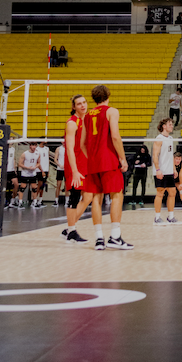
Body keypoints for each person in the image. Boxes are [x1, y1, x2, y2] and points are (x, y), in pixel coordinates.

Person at [81, 84, 131, 251]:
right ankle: (115, 237)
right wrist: (122, 158)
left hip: (93, 162)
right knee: (117, 195)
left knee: (96, 198)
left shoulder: (87, 115)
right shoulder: (111, 111)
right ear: (108, 95)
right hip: (108, 159)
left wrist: (93, 158)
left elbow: (82, 144)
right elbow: (115, 137)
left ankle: (99, 239)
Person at [61, 94, 91, 243]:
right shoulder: (72, 123)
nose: (83, 106)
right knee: (75, 197)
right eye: (79, 104)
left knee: (89, 197)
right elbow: (70, 149)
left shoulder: (86, 120)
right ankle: (72, 231)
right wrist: (74, 171)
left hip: (84, 163)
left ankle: (69, 228)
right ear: (74, 107)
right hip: (75, 164)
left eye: (84, 102)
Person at [152, 118, 182, 225]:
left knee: (172, 192)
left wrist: (174, 169)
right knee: (160, 193)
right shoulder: (159, 138)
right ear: (164, 126)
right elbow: (155, 155)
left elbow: (170, 156)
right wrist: (157, 170)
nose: (171, 126)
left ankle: (171, 217)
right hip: (161, 171)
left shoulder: (170, 138)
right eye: (170, 124)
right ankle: (157, 218)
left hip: (169, 170)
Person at [17, 142, 43, 209]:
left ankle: (34, 202)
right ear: (30, 146)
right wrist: (27, 167)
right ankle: (20, 203)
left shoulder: (37, 153)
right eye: (33, 146)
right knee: (22, 188)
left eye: (35, 146)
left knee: (34, 188)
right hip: (25, 173)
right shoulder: (25, 154)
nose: (34, 148)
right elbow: (20, 163)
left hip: (33, 173)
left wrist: (35, 167)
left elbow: (38, 163)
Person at [37, 142, 50, 207]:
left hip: (46, 169)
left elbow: (47, 160)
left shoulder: (47, 148)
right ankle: (35, 201)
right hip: (39, 170)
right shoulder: (37, 149)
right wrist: (41, 170)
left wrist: (48, 169)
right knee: (39, 185)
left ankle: (40, 200)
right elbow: (37, 161)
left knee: (43, 186)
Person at [54, 142, 66, 206]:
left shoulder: (69, 148)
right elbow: (55, 159)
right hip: (60, 169)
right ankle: (56, 201)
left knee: (66, 186)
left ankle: (67, 201)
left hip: (67, 169)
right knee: (58, 185)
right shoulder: (58, 149)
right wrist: (60, 165)